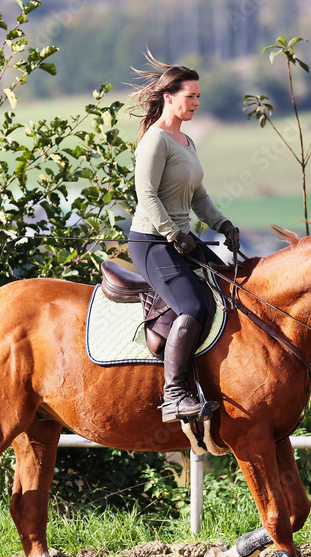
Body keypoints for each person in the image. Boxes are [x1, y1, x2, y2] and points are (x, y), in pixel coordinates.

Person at [128, 54, 241, 423]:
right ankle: (174, 395)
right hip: (151, 242)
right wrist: (175, 234)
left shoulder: (186, 141)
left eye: (197, 97)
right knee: (193, 306)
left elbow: (198, 196)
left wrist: (224, 225)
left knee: (230, 289)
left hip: (181, 239)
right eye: (190, 96)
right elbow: (146, 196)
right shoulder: (155, 141)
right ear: (169, 97)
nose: (195, 102)